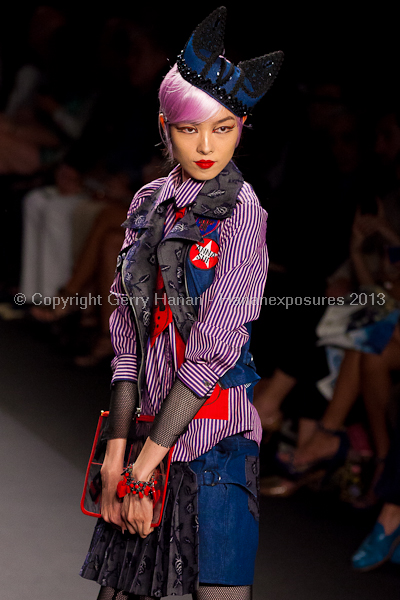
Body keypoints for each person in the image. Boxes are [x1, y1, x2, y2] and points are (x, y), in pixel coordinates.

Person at [80, 7, 283, 600]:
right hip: (145, 433)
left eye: (223, 128)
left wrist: (142, 472)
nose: (205, 145)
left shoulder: (245, 214)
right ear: (165, 125)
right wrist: (115, 458)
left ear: (242, 127)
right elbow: (128, 350)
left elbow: (210, 355)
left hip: (213, 444)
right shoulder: (147, 203)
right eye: (190, 128)